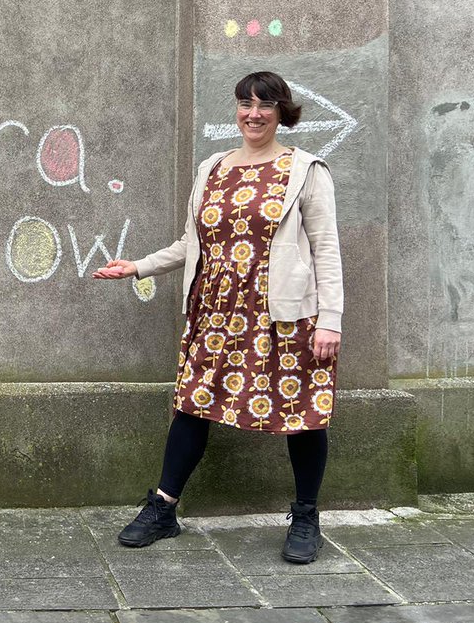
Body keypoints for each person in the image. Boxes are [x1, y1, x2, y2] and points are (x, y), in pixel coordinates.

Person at [93, 70, 342, 564]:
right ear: (236, 108)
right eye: (245, 103)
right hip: (216, 311)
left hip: (283, 315)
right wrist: (139, 266)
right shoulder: (214, 168)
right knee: (192, 404)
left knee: (302, 415)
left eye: (265, 105)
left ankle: (307, 518)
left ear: (280, 112)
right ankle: (163, 510)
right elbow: (192, 244)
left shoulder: (306, 170)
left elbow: (327, 250)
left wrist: (330, 318)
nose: (253, 113)